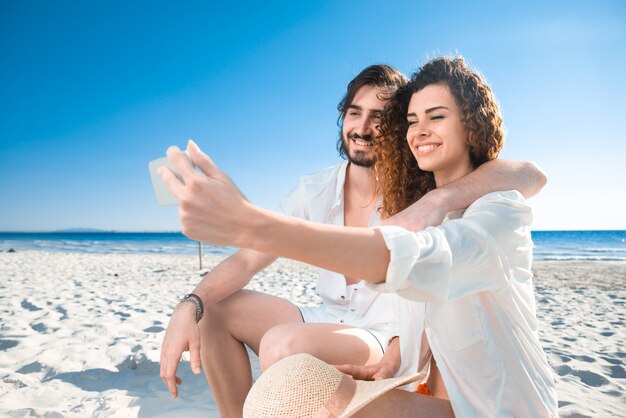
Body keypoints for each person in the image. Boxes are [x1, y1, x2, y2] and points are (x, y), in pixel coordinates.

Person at [159, 62, 550, 417]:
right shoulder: (322, 189)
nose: (362, 129)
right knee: (217, 311)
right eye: (354, 113)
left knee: (287, 354)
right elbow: (247, 261)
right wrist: (190, 302)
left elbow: (527, 175)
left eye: (379, 117)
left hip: (412, 353)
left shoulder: (439, 197)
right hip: (353, 331)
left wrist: (250, 222)